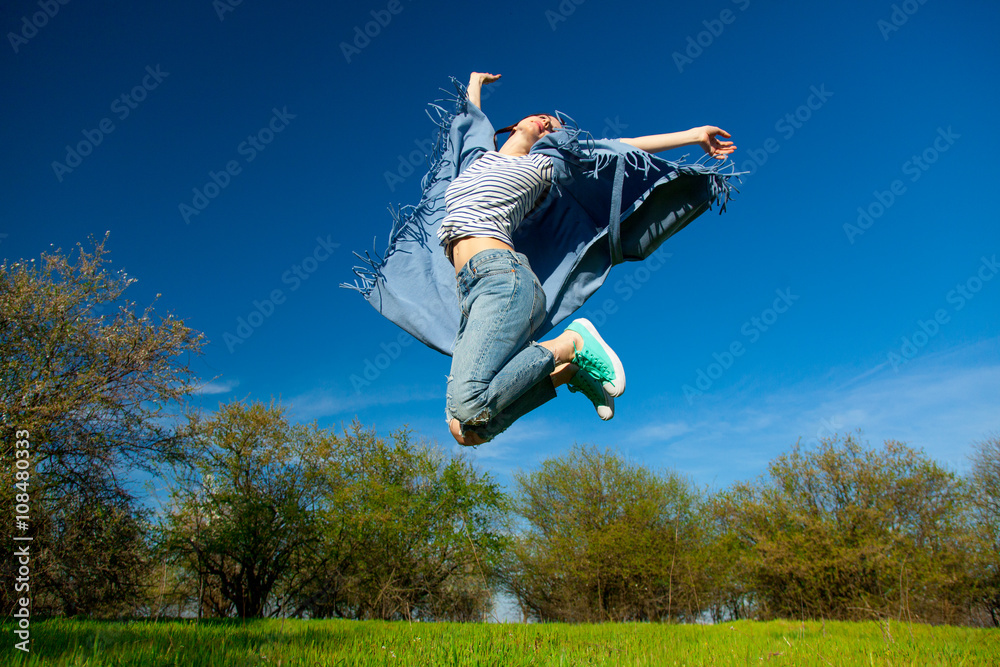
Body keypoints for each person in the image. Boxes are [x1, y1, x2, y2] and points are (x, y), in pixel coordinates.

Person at [443, 72, 736, 446]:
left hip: (501, 277)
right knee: (466, 431)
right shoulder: (477, 160)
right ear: (514, 125)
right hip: (469, 292)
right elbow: (471, 123)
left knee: (469, 404)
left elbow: (617, 149)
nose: (548, 122)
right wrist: (475, 82)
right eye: (542, 117)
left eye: (554, 125)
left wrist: (693, 135)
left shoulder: (545, 165)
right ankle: (568, 372)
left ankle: (573, 343)